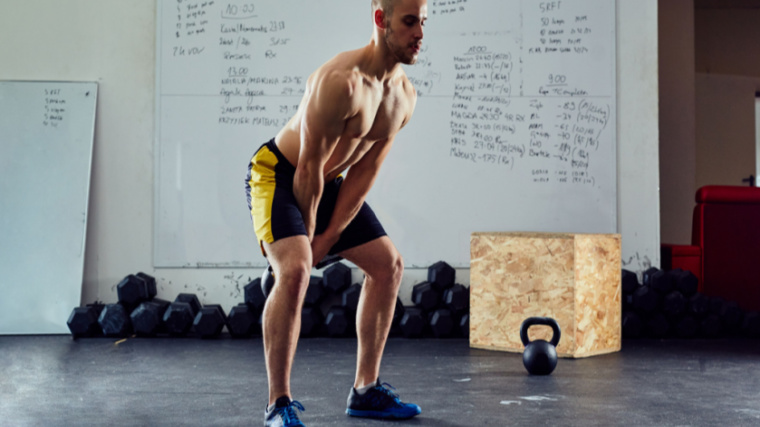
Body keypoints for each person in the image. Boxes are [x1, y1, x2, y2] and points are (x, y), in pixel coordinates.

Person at [244, 0, 427, 425]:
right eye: (410, 22)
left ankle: (365, 390)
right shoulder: (340, 82)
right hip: (281, 173)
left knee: (389, 266)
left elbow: (364, 172)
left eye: (423, 22)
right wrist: (308, 245)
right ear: (381, 20)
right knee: (295, 271)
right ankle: (278, 405)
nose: (420, 33)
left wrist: (328, 238)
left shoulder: (403, 96)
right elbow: (307, 170)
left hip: (330, 182)